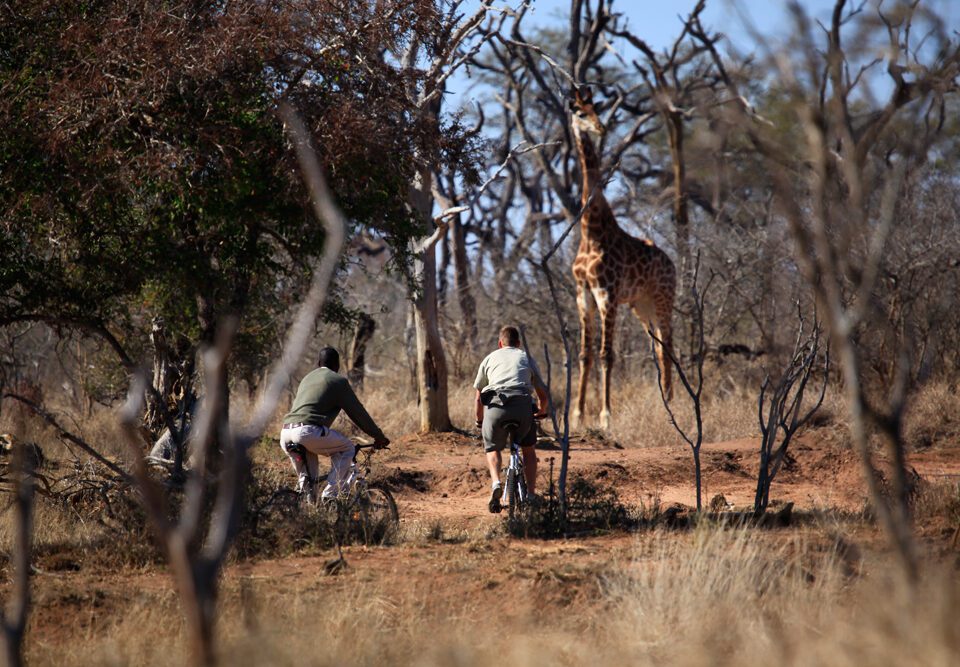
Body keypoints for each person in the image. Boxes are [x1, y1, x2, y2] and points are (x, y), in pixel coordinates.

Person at [279, 346, 389, 503]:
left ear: (318, 363)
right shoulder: (337, 381)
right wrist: (378, 436)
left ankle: (305, 516)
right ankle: (330, 495)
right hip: (307, 432)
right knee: (348, 448)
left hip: (286, 433)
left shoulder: (307, 378)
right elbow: (358, 412)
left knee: (309, 484)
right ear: (337, 365)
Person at [473, 326, 549, 513]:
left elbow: (478, 397)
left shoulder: (489, 358)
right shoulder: (526, 358)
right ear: (518, 344)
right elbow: (543, 394)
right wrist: (541, 411)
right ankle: (530, 494)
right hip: (522, 406)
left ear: (500, 344)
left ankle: (496, 483)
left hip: (495, 408)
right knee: (529, 451)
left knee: (492, 448)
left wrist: (479, 420)